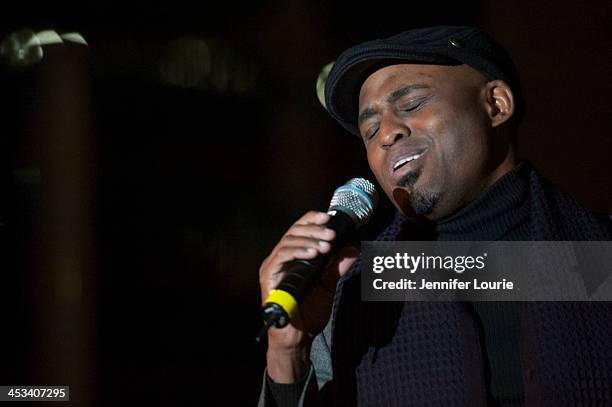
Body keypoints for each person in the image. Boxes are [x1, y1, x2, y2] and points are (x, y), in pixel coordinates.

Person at [257, 26, 612, 406]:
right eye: (370, 129)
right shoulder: (350, 294)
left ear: (495, 104)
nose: (386, 135)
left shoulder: (599, 258)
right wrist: (287, 357)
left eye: (410, 105)